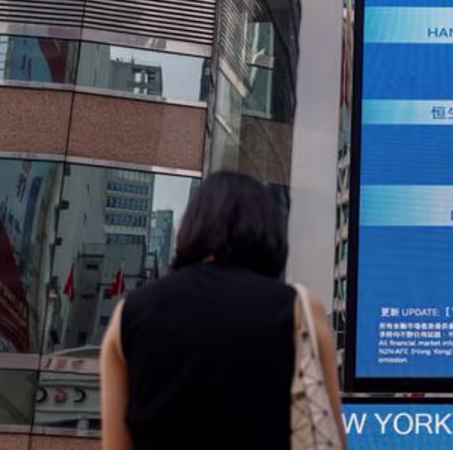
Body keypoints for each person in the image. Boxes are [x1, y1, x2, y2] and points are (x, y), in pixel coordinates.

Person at [100, 171, 346, 450]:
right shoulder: (301, 311)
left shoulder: (129, 315)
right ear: (270, 231)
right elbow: (332, 435)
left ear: (192, 225)